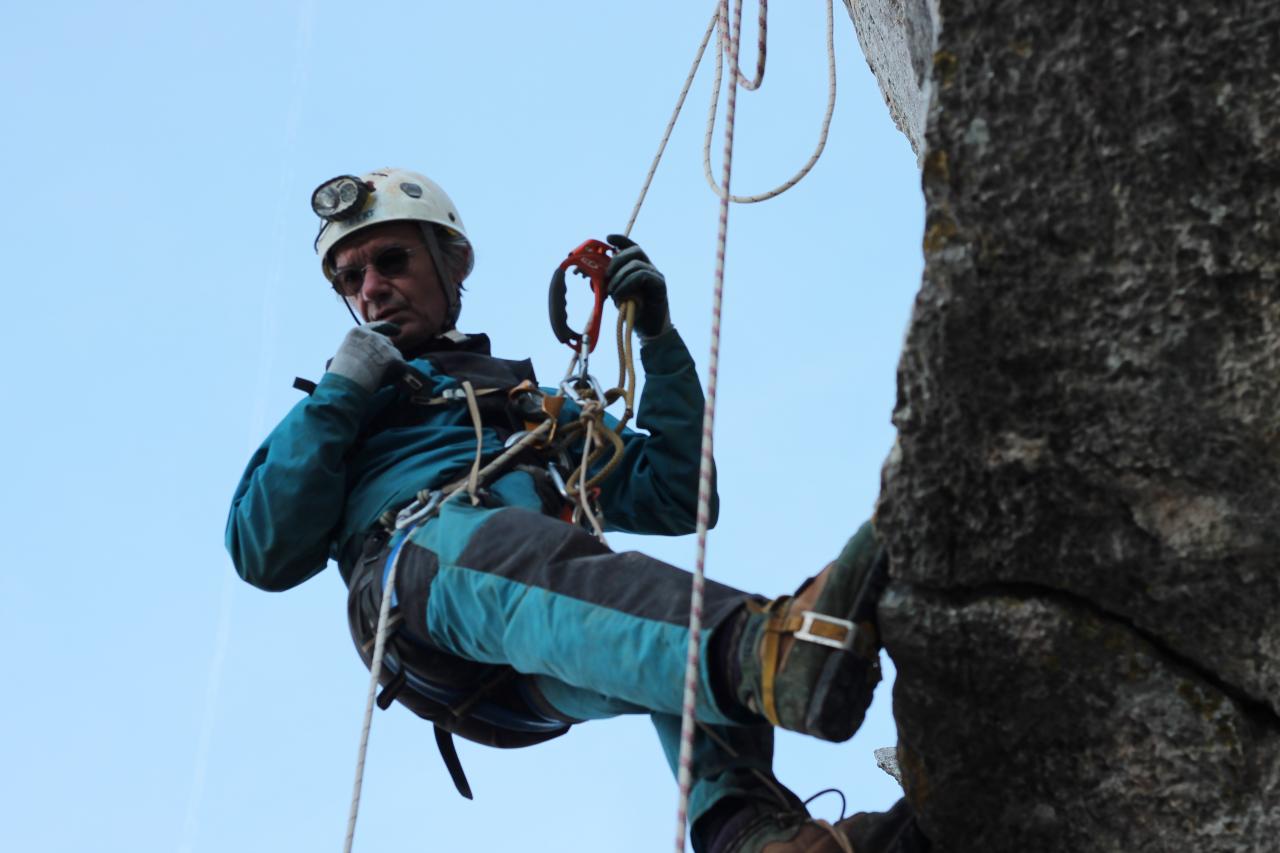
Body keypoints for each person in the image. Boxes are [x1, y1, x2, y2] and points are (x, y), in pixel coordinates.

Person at [226, 167, 926, 852]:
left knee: (649, 631)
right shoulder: (337, 412)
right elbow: (263, 548)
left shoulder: (524, 407)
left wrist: (656, 341)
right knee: (554, 568)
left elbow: (681, 494)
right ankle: (771, 651)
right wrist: (343, 391)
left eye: (390, 261)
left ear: (450, 263)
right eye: (352, 280)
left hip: (530, 657)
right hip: (422, 590)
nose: (371, 289)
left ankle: (751, 832)